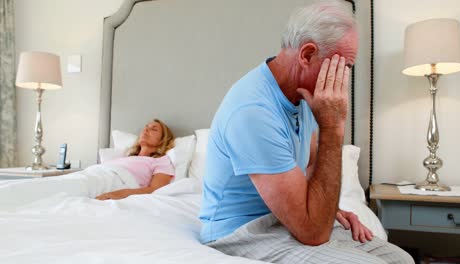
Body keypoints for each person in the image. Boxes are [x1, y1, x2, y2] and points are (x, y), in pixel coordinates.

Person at [199, 1, 414, 263]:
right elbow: (313, 233)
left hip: (283, 218)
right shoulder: (252, 110)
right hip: (241, 232)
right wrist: (333, 126)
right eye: (344, 66)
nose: (344, 79)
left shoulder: (306, 96)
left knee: (402, 260)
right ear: (307, 55)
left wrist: (329, 208)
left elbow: (312, 164)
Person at [95, 119, 175, 200]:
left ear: (162, 140)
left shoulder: (161, 161)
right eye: (146, 127)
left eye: (154, 129)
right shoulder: (126, 158)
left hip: (110, 184)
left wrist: (120, 194)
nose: (146, 130)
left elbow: (155, 190)